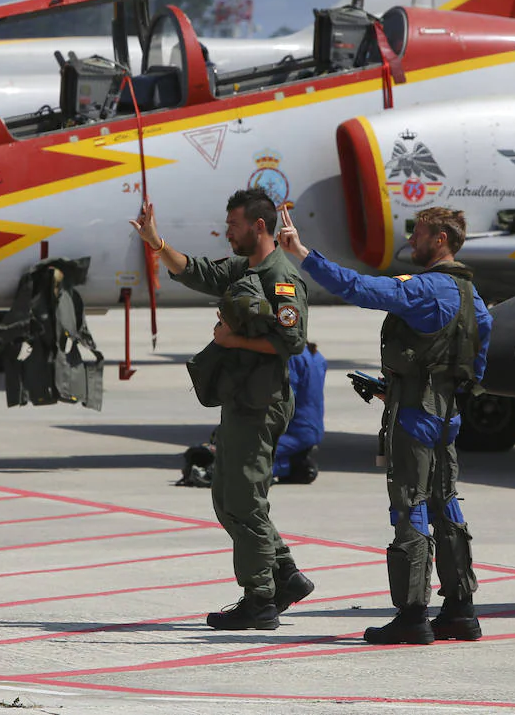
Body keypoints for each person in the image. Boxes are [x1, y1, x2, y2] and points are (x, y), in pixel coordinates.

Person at [278, 205, 491, 646]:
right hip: (447, 415)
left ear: (440, 241)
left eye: (419, 235)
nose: (411, 242)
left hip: (414, 414)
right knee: (446, 505)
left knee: (410, 506)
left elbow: (361, 289)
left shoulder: (428, 288)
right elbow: (476, 360)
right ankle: (460, 610)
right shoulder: (474, 297)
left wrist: (300, 253)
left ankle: (413, 615)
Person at [131, 188, 315, 630]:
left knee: (244, 501)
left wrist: (232, 341)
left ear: (257, 226)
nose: (226, 231)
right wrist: (157, 244)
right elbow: (195, 271)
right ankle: (284, 573)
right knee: (228, 498)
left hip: (262, 402)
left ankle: (260, 600)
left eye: (232, 225)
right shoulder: (243, 269)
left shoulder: (280, 277)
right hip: (241, 399)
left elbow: (292, 341)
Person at [275, 341, 326, 483]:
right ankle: (292, 463)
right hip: (312, 429)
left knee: (248, 455)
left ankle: (286, 465)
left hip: (295, 432)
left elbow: (285, 398)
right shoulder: (316, 356)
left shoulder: (292, 357)